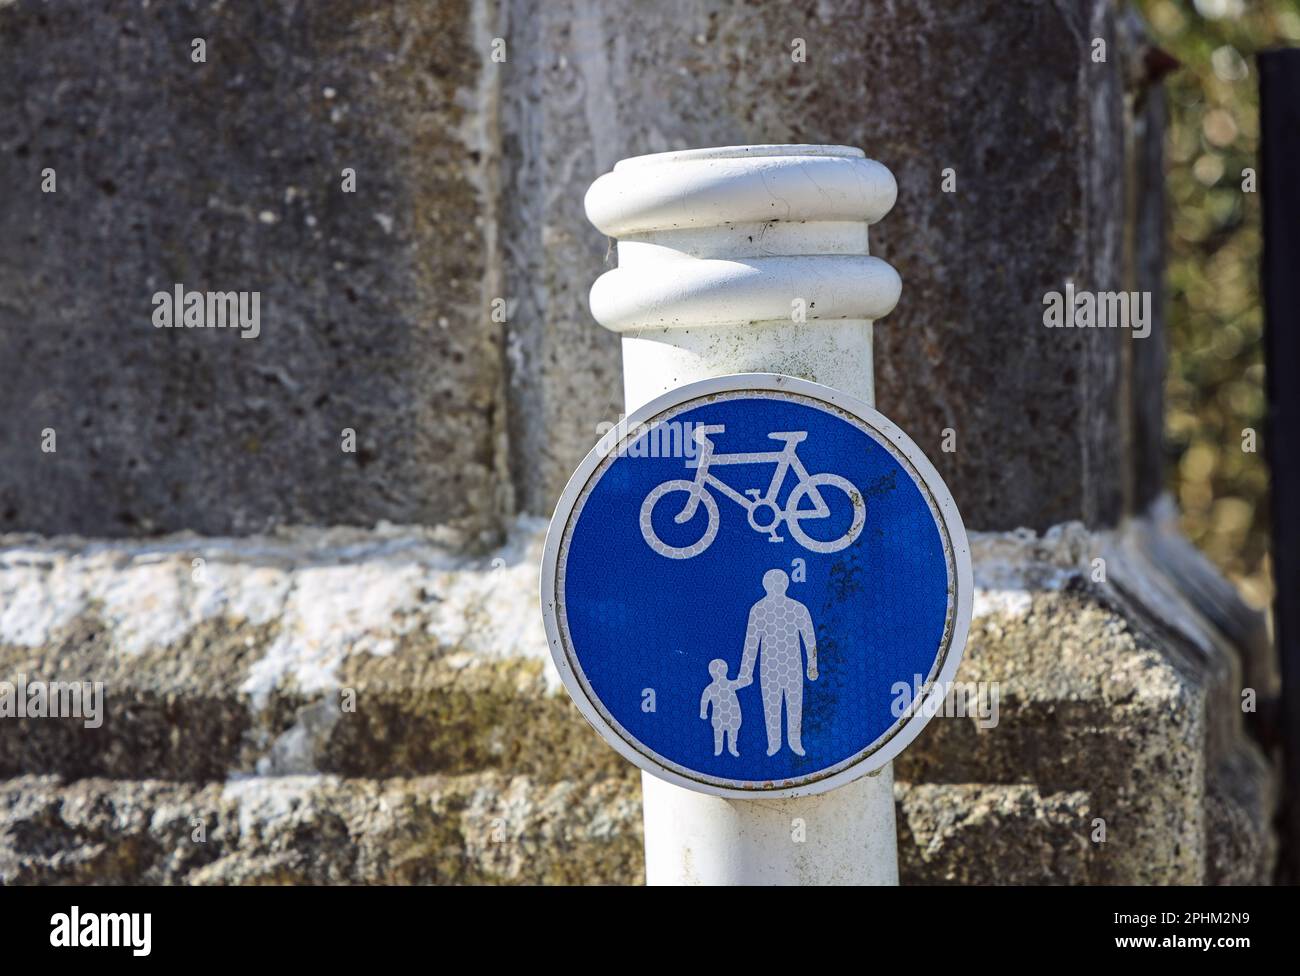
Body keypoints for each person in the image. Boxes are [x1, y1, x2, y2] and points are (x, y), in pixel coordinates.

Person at [738, 568, 818, 756]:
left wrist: (812, 665)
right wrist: (746, 672)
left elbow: (809, 639)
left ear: (785, 585)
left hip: (793, 665)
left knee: (794, 704)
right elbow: (751, 642)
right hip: (768, 667)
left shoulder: (798, 608)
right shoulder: (758, 609)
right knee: (771, 705)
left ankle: (795, 742)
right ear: (766, 586)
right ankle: (773, 744)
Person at [699, 659, 745, 757]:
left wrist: (704, 712)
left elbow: (704, 700)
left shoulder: (723, 686)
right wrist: (703, 712)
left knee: (729, 733)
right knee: (720, 733)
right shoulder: (713, 688)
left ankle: (731, 749)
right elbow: (704, 700)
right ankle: (719, 750)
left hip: (731, 716)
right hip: (722, 717)